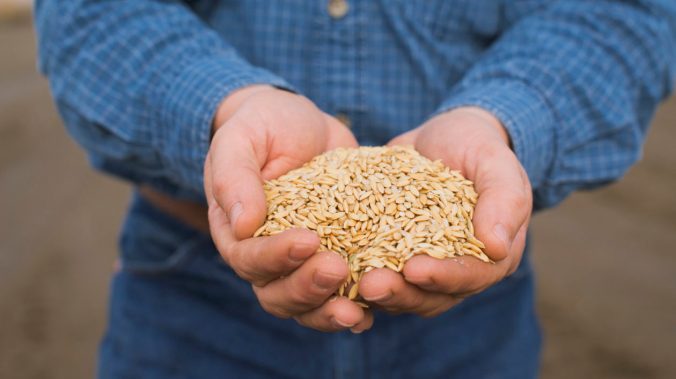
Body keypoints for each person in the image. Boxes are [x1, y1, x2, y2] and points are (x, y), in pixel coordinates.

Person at [35, 1, 675, 378]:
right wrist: (225, 107)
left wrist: (503, 119)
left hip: (468, 292)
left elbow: (619, 14)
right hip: (191, 287)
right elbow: (92, 14)